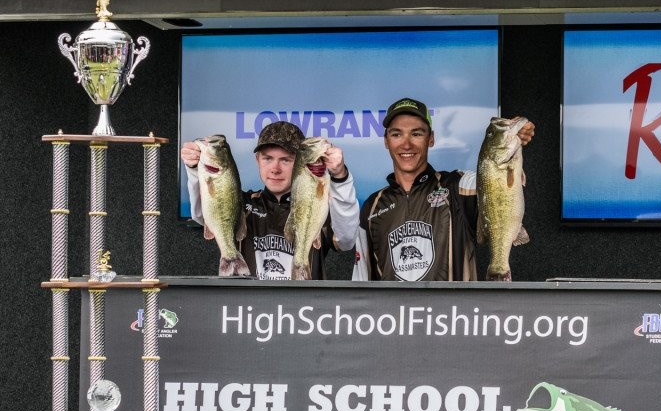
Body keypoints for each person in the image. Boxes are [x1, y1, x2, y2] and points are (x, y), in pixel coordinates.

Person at [353, 97, 534, 281]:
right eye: (396, 134)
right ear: (386, 141)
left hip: (455, 302)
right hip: (392, 303)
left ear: (431, 139)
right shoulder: (372, 207)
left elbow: (496, 182)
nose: (406, 144)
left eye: (416, 134)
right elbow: (360, 282)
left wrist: (515, 135)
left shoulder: (458, 186)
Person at [181, 121, 359, 279]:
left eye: (285, 160)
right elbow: (201, 215)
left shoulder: (319, 206)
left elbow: (346, 239)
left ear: (300, 163)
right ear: (257, 160)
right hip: (249, 306)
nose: (275, 168)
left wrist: (340, 177)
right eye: (268, 158)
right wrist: (195, 169)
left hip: (305, 305)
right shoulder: (243, 204)